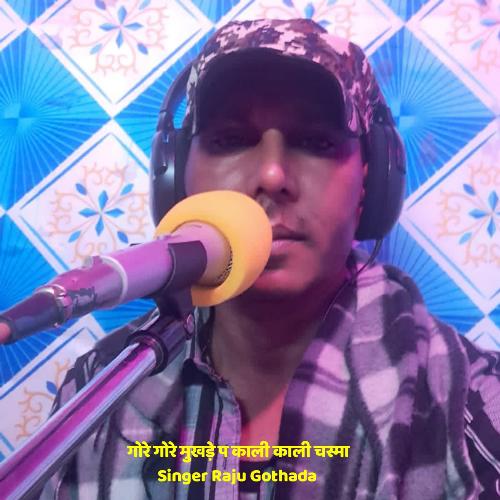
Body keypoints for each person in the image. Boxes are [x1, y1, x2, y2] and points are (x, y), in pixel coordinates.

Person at [40, 18, 499, 499]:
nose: (273, 175)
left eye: (316, 141)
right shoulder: (96, 394)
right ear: (175, 179)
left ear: (371, 183)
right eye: (230, 139)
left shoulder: (473, 404)